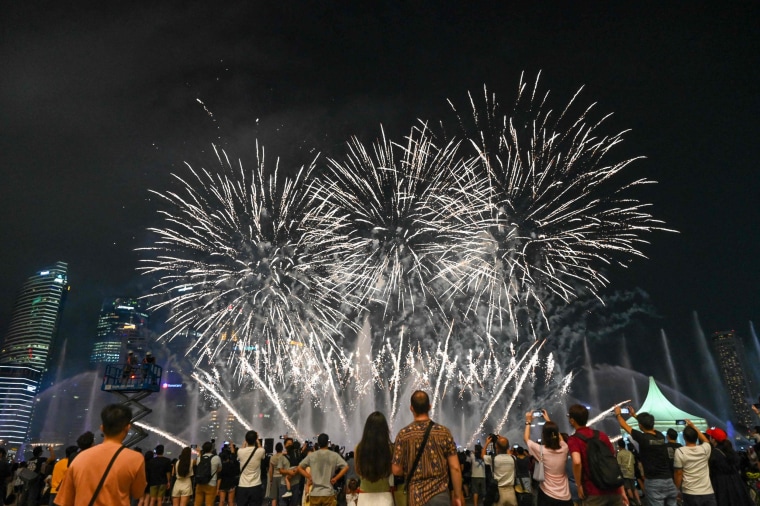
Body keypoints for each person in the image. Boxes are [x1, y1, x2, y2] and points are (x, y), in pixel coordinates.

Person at [54, 404, 147, 505]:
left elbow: (65, 500)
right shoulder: (135, 458)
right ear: (127, 428)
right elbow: (138, 493)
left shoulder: (80, 457)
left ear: (102, 428)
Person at [392, 391, 463, 506]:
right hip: (440, 496)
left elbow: (396, 470)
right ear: (429, 407)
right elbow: (455, 467)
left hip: (416, 497)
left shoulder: (403, 435)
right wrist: (457, 495)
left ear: (411, 408)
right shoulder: (444, 432)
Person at [614, 405, 677, 506]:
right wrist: (635, 415)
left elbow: (624, 425)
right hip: (669, 480)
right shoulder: (660, 436)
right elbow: (648, 426)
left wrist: (618, 414)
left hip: (654, 482)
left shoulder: (643, 438)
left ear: (640, 425)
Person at [566, 403, 625, 505]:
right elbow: (612, 461)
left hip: (593, 492)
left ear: (572, 420)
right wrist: (621, 490)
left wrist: (579, 485)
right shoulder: (602, 435)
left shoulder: (574, 439)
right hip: (614, 489)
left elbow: (576, 462)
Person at [524, 410, 572, 506]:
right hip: (565, 496)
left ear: (543, 436)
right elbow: (561, 439)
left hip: (547, 495)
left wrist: (528, 421)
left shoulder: (541, 450)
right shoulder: (564, 448)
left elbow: (526, 439)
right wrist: (549, 421)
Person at [704, 427, 753, 506]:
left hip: (721, 486)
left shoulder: (714, 454)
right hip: (737, 484)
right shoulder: (730, 450)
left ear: (713, 439)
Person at [354, 411, 394, 506]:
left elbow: (358, 471)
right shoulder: (390, 449)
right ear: (385, 429)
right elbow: (391, 470)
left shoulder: (359, 448)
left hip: (364, 496)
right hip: (385, 496)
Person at [298, 434, 348, 506]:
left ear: (318, 443)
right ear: (327, 443)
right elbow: (346, 467)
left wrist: (309, 476)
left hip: (315, 493)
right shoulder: (334, 455)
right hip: (328, 493)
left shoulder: (312, 455)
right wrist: (336, 478)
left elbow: (300, 467)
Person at [673, 421, 715, 506]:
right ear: (696, 437)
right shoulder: (704, 449)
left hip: (690, 492)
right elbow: (706, 440)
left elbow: (678, 473)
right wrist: (694, 427)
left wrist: (676, 489)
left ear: (684, 437)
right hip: (707, 491)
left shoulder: (680, 451)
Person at [480, 433, 516, 506]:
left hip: (498, 492)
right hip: (511, 492)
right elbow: (508, 451)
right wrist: (502, 439)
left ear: (496, 446)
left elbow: (482, 455)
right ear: (507, 447)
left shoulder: (494, 459)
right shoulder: (513, 458)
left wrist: (487, 443)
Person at [236, 430, 266, 506]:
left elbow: (242, 449)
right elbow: (261, 449)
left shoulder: (240, 451)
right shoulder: (260, 451)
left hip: (242, 486)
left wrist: (245, 442)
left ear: (246, 440)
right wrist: (257, 440)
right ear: (256, 440)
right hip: (255, 486)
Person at [194, 441, 222, 506]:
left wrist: (199, 453)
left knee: (197, 503)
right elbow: (220, 469)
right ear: (212, 449)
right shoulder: (216, 458)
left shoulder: (199, 458)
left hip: (200, 483)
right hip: (211, 484)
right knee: (209, 504)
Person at [615, 440, 640, 506]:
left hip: (624, 473)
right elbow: (633, 462)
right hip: (631, 472)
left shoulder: (619, 454)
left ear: (619, 446)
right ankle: (639, 502)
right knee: (634, 488)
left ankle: (633, 502)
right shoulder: (630, 453)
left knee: (628, 488)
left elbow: (618, 464)